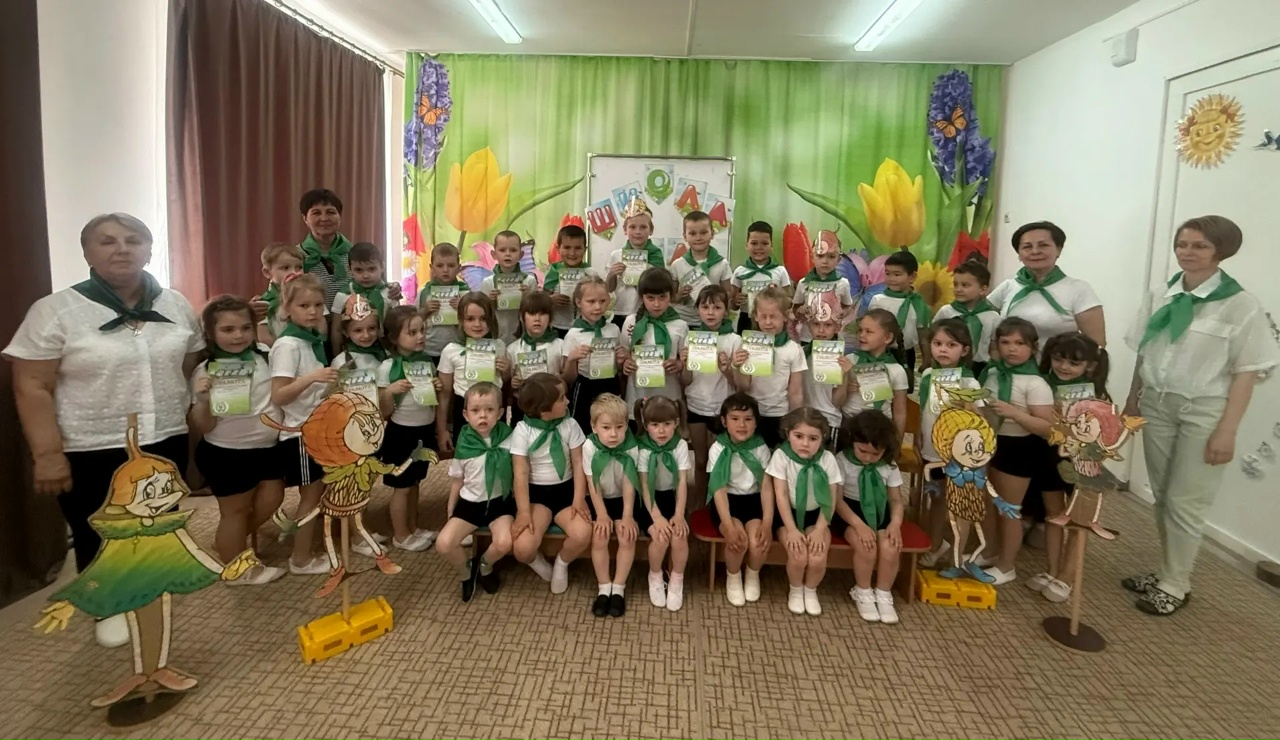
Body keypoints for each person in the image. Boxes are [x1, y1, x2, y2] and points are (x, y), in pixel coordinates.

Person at [5, 213, 205, 648]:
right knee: (99, 528)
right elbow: (31, 385)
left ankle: (147, 586)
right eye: (107, 241)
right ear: (87, 252)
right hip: (90, 442)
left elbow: (188, 362)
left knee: (156, 519)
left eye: (133, 240)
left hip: (163, 435)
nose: (121, 249)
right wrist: (47, 454)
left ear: (148, 250)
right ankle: (109, 603)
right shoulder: (56, 311)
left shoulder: (174, 304)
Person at [1123, 215, 1280, 615]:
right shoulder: (1162, 294)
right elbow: (1145, 350)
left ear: (1220, 251)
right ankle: (1166, 571)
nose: (1187, 252)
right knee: (1163, 495)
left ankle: (1176, 584)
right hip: (1156, 403)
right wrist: (1132, 399)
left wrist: (1228, 431)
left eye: (1199, 246)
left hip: (1204, 411)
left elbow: (1247, 372)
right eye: (1182, 244)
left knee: (1186, 501)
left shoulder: (1240, 304)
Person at [188, 296, 286, 586]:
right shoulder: (206, 371)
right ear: (210, 333)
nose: (238, 335)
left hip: (267, 448)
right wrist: (203, 400)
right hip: (227, 452)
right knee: (235, 511)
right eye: (228, 329)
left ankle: (229, 543)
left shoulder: (265, 355)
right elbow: (204, 426)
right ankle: (237, 569)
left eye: (245, 327)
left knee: (273, 498)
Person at [1025, 332, 1109, 603]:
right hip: (1048, 455)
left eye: (1074, 363)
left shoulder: (1097, 395)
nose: (1064, 367)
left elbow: (1105, 435)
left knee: (1078, 520)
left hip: (1082, 461)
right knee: (1053, 514)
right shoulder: (1041, 385)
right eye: (1058, 359)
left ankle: (1067, 577)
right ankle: (1052, 570)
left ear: (1090, 366)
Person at [267, 274, 335, 577]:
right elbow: (279, 395)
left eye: (318, 305)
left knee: (319, 493)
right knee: (310, 496)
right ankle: (300, 558)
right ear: (287, 307)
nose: (313, 311)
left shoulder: (311, 341)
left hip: (317, 428)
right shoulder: (288, 345)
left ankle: (306, 550)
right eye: (304, 305)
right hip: (299, 433)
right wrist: (312, 378)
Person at [979, 317, 1055, 585]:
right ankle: (989, 551)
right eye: (1005, 342)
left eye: (1020, 343)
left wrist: (1014, 413)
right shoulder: (991, 373)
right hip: (991, 443)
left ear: (1033, 348)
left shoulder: (1036, 383)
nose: (1012, 348)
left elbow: (1047, 428)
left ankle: (1007, 565)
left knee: (1009, 509)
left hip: (1019, 448)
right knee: (988, 503)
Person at [369, 306, 442, 552]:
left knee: (415, 483)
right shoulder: (387, 367)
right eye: (412, 332)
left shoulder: (427, 362)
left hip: (424, 431)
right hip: (401, 434)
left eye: (422, 330)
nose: (420, 336)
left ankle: (413, 527)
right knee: (401, 488)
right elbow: (383, 412)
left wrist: (436, 385)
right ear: (393, 337)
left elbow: (430, 401)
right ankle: (401, 535)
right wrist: (390, 391)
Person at [510, 373, 591, 594]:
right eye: (562, 398)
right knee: (522, 549)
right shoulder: (522, 430)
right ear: (544, 409)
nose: (568, 401)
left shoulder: (570, 424)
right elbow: (520, 473)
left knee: (583, 533)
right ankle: (539, 563)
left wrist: (579, 498)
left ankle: (562, 564)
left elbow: (579, 463)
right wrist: (523, 512)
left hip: (566, 491)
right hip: (536, 496)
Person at [437, 382, 515, 601]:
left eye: (489, 410)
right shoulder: (465, 442)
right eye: (475, 410)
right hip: (470, 503)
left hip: (500, 502)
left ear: (500, 412)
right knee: (444, 543)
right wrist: (451, 510)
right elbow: (457, 480)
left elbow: (520, 472)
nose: (483, 416)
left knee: (504, 543)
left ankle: (484, 566)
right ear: (465, 415)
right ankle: (466, 572)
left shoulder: (509, 437)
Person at [916, 319, 982, 569]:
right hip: (932, 450)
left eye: (951, 345)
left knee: (959, 504)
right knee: (937, 499)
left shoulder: (969, 383)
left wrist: (968, 405)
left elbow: (980, 421)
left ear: (964, 350)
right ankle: (936, 544)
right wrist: (919, 435)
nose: (943, 349)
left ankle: (957, 556)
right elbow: (924, 409)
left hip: (958, 453)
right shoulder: (927, 375)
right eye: (938, 344)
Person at [767, 408, 842, 616]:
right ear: (788, 433)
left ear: (823, 437)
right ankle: (795, 589)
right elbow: (781, 495)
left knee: (817, 557)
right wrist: (791, 529)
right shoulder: (781, 456)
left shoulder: (827, 459)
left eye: (813, 438)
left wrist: (820, 529)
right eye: (798, 436)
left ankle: (810, 590)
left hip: (817, 516)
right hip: (787, 517)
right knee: (798, 555)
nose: (805, 444)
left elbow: (831, 498)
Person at [834, 411, 904, 625]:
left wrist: (895, 524)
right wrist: (859, 525)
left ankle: (883, 593)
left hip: (879, 509)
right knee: (866, 546)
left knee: (890, 547)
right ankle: (863, 591)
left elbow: (896, 500)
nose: (867, 458)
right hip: (850, 512)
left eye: (875, 454)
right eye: (862, 451)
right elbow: (837, 501)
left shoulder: (889, 465)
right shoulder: (842, 461)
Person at [988, 221, 1105, 348]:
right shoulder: (1008, 286)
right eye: (1027, 247)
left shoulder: (1079, 289)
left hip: (1057, 360)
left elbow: (1096, 344)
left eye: (1043, 245)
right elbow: (980, 316)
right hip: (1010, 360)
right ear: (1019, 255)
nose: (1035, 251)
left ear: (1059, 250)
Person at [706, 393, 773, 606]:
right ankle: (733, 576)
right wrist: (727, 524)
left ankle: (753, 574)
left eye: (748, 419)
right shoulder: (718, 448)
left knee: (758, 541)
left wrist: (768, 522)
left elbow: (766, 487)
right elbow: (718, 489)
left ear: (756, 422)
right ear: (724, 421)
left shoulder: (761, 448)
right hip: (726, 503)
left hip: (753, 501)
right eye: (735, 419)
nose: (742, 425)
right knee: (737, 540)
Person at [678, 284, 742, 503]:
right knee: (700, 460)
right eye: (705, 307)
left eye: (717, 307)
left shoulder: (734, 340)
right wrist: (685, 363)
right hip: (696, 405)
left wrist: (726, 368)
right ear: (698, 310)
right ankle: (698, 503)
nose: (711, 312)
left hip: (722, 408)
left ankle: (718, 503)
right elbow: (685, 381)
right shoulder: (691, 338)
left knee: (720, 462)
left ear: (726, 310)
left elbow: (738, 384)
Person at [582, 393, 642, 617]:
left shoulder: (631, 446)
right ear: (594, 427)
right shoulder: (589, 446)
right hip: (599, 499)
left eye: (619, 427)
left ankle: (618, 588)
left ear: (627, 425)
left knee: (627, 535)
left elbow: (629, 483)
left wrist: (627, 516)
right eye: (606, 428)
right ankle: (603, 587)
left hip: (624, 499)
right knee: (600, 536)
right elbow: (592, 483)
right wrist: (601, 514)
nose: (613, 434)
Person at [635, 396, 693, 611]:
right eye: (655, 425)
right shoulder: (642, 448)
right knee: (660, 538)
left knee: (679, 536)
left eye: (667, 424)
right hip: (648, 502)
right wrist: (657, 517)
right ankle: (655, 575)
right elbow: (644, 485)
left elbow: (682, 482)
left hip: (672, 498)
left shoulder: (680, 445)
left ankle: (677, 579)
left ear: (676, 423)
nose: (661, 430)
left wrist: (679, 514)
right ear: (645, 425)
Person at [731, 286, 806, 447]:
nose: (768, 322)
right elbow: (743, 386)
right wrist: (737, 367)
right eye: (763, 316)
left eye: (773, 316)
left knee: (778, 457)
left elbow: (795, 392)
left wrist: (795, 421)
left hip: (781, 415)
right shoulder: (746, 346)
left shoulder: (793, 349)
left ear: (785, 316)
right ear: (755, 316)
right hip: (752, 414)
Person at [436, 292, 509, 456]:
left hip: (494, 409)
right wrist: (442, 430)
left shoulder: (499, 346)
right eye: (470, 319)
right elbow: (444, 395)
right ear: (461, 320)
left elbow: (504, 381)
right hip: (464, 411)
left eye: (483, 318)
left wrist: (506, 370)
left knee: (497, 456)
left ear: (491, 320)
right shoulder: (451, 351)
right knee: (467, 460)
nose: (477, 324)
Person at [621, 268, 687, 416]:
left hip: (669, 394)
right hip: (638, 395)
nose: (656, 304)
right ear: (641, 297)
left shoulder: (680, 325)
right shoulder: (631, 321)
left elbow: (684, 359)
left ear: (671, 295)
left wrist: (678, 365)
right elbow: (625, 351)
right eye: (650, 298)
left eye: (662, 297)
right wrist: (626, 363)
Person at [561, 276, 623, 432]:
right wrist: (572, 359)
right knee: (583, 427)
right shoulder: (573, 335)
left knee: (612, 424)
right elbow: (567, 378)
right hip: (585, 387)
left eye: (602, 301)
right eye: (591, 301)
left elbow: (619, 367)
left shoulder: (614, 329)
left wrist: (621, 359)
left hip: (610, 384)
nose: (597, 307)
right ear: (578, 302)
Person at [842, 310, 908, 438]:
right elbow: (836, 400)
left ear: (887, 338)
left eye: (869, 332)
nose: (862, 335)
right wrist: (846, 388)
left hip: (881, 430)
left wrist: (897, 442)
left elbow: (900, 412)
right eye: (860, 330)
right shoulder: (849, 361)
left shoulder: (896, 370)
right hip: (848, 425)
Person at [505, 290, 567, 426]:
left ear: (550, 317)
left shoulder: (560, 345)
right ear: (522, 317)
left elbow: (567, 378)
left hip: (552, 408)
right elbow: (507, 386)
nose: (537, 319)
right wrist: (513, 384)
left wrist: (558, 380)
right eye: (532, 313)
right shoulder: (512, 349)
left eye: (543, 313)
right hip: (522, 408)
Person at [870, 250, 929, 388]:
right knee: (881, 389)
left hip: (907, 355)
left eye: (897, 274)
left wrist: (927, 360)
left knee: (904, 388)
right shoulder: (878, 300)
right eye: (887, 273)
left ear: (912, 277)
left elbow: (923, 334)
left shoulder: (918, 303)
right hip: (881, 353)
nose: (891, 278)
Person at [801, 291, 854, 446]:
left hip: (829, 420)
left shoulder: (840, 359)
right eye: (816, 324)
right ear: (809, 326)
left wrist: (845, 376)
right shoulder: (801, 354)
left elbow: (837, 402)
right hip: (804, 418)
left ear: (837, 327)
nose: (821, 330)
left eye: (828, 325)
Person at [605, 196, 667, 329]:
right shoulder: (616, 255)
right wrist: (611, 274)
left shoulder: (656, 256)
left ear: (651, 230)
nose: (638, 232)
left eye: (643, 227)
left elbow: (662, 286)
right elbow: (609, 288)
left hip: (647, 313)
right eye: (632, 227)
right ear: (625, 229)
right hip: (621, 312)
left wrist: (648, 270)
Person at [932, 259, 999, 377]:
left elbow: (994, 347)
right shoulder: (946, 312)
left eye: (965, 285)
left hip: (981, 367)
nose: (958, 289)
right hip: (949, 365)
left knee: (976, 389)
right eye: (955, 284)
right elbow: (933, 338)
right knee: (945, 389)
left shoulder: (992, 316)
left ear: (983, 289)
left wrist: (997, 367)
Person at [328, 241, 397, 351]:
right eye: (359, 270)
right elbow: (337, 329)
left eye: (371, 269)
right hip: (352, 350)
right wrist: (336, 354)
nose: (365, 275)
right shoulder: (343, 294)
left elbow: (396, 327)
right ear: (350, 269)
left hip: (384, 350)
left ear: (382, 267)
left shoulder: (390, 293)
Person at [791, 230, 856, 343]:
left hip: (832, 338)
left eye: (831, 256)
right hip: (807, 338)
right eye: (820, 256)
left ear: (838, 259)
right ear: (812, 257)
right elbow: (795, 309)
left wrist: (843, 313)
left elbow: (848, 306)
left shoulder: (843, 283)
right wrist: (800, 311)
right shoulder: (803, 283)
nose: (825, 261)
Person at [669, 210, 731, 326]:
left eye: (703, 232)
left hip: (713, 322)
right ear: (685, 236)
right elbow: (671, 298)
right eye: (692, 233)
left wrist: (717, 297)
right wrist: (680, 295)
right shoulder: (677, 265)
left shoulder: (722, 264)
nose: (698, 238)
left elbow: (728, 294)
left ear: (712, 233)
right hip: (684, 320)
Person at [729, 221, 790, 334]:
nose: (759, 247)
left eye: (764, 243)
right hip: (746, 320)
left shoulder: (780, 271)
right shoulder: (739, 272)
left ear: (771, 246)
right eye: (754, 243)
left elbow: (788, 301)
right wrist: (736, 300)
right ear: (746, 245)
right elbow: (732, 305)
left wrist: (778, 296)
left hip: (772, 321)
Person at [480, 230, 539, 344]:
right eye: (502, 250)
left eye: (513, 250)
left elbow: (535, 312)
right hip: (496, 337)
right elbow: (483, 314)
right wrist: (491, 302)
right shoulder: (487, 283)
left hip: (522, 339)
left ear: (521, 255)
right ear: (494, 254)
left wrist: (527, 299)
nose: (508, 254)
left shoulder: (529, 281)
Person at [417, 242, 467, 367]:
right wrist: (425, 310)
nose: (445, 270)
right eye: (439, 266)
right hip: (430, 350)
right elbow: (414, 320)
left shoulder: (466, 293)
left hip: (457, 349)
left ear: (459, 268)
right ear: (432, 268)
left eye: (451, 265)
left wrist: (463, 309)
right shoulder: (424, 293)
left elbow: (474, 321)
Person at [543, 224, 597, 338]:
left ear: (585, 249)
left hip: (584, 326)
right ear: (558, 248)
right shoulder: (553, 271)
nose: (572, 253)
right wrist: (550, 299)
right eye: (567, 247)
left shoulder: (590, 273)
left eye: (578, 248)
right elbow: (543, 296)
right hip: (558, 326)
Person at [256, 243, 304, 346]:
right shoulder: (263, 303)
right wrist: (284, 349)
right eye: (286, 268)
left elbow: (321, 328)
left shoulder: (311, 296)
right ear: (267, 273)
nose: (294, 272)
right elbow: (263, 337)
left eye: (299, 267)